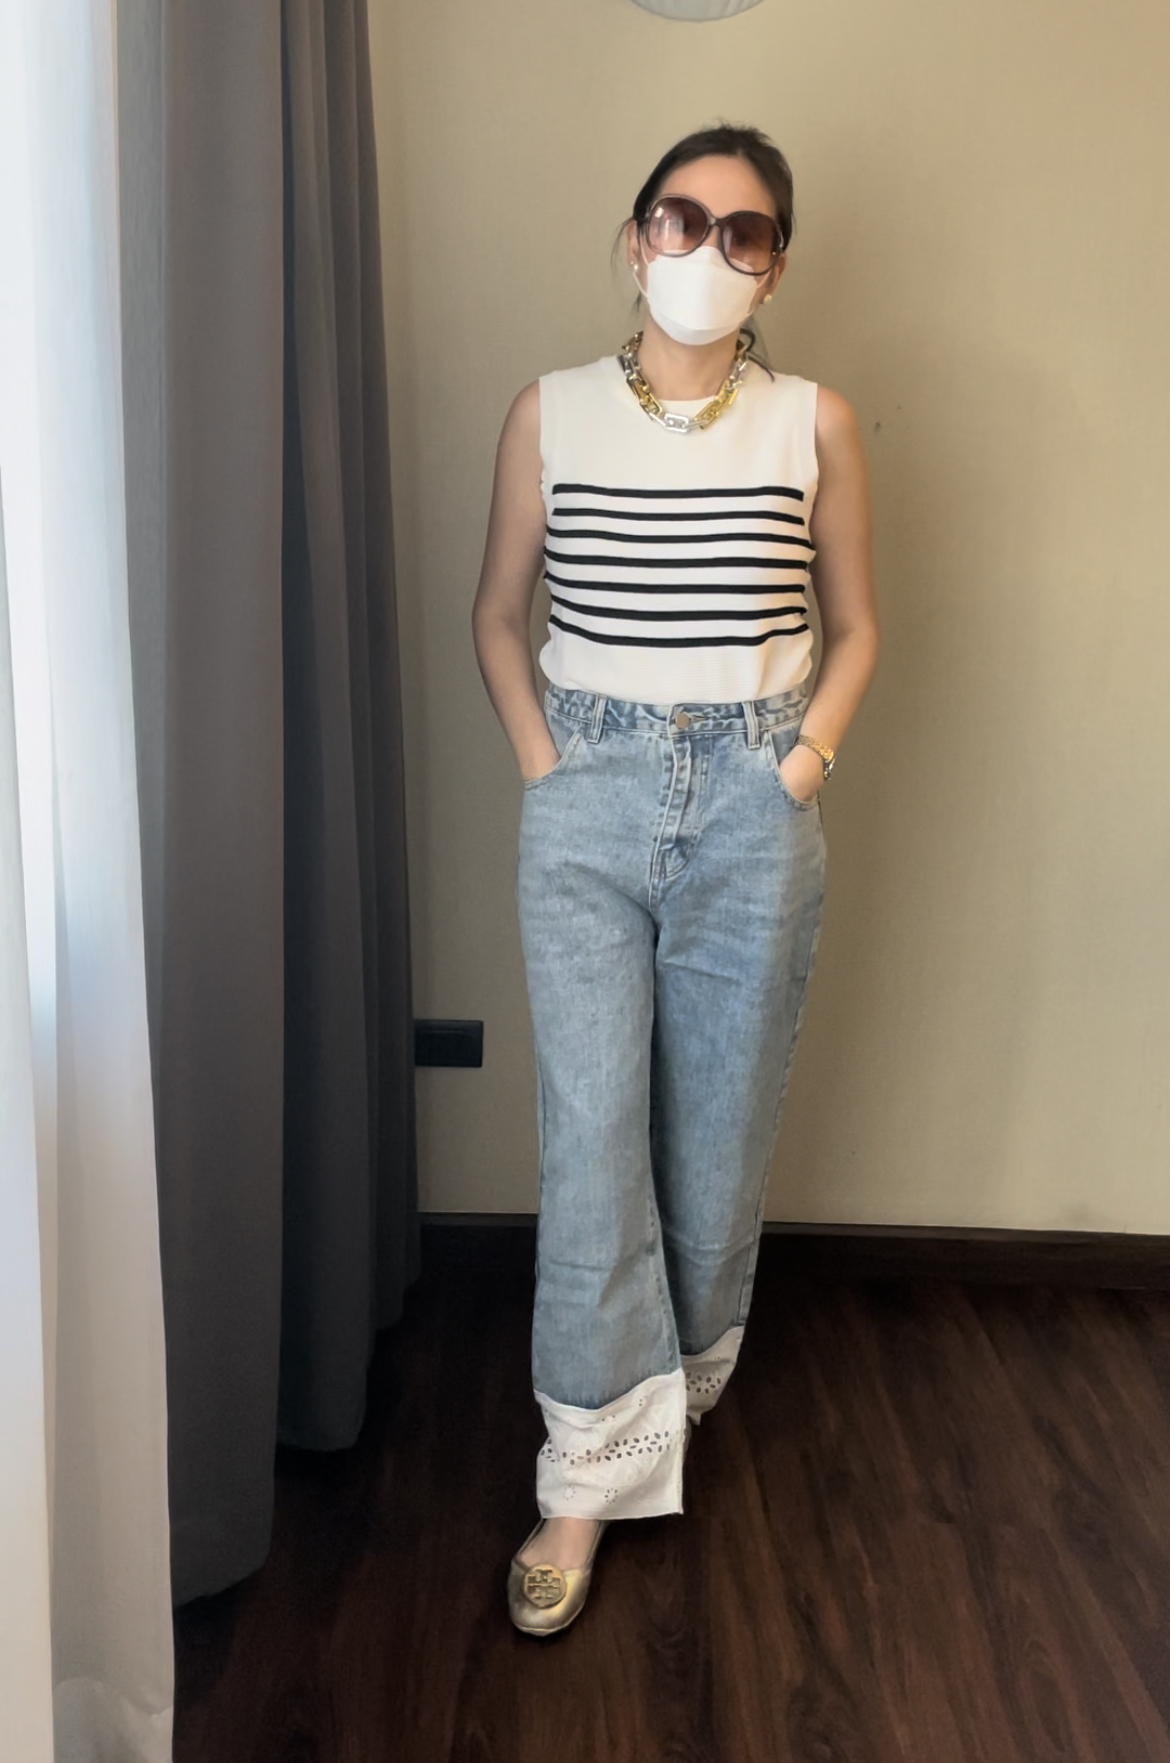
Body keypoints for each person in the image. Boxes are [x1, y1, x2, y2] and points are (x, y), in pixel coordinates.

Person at [471, 121, 878, 1637]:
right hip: (586, 792)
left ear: (776, 263)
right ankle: (583, 1472)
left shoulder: (814, 424)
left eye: (743, 230)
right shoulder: (551, 411)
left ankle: (676, 1398)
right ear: (636, 234)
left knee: (715, 1131)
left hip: (756, 806)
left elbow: (860, 626)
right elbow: (496, 611)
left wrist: (802, 764)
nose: (706, 250)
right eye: (679, 218)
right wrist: (544, 763)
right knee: (591, 1134)